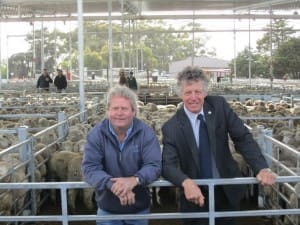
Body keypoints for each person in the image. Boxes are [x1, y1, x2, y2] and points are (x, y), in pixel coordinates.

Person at [161, 65, 276, 225]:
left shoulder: (219, 106)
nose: (193, 97)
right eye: (188, 92)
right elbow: (168, 165)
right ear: (180, 94)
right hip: (194, 193)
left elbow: (242, 137)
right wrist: (185, 182)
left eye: (198, 92)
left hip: (225, 189)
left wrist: (261, 168)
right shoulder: (171, 127)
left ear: (205, 92)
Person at [81, 85, 161, 225]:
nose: (119, 113)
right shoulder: (96, 134)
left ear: (134, 112)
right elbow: (89, 168)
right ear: (107, 111)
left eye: (124, 108)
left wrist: (135, 180)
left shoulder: (145, 133)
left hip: (138, 208)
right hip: (108, 209)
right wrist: (112, 185)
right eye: (115, 108)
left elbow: (154, 164)